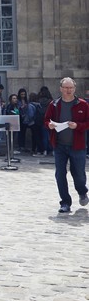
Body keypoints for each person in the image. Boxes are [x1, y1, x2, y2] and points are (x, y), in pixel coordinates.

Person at [44, 77, 89, 213]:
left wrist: (78, 126)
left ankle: (82, 191)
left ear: (74, 89)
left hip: (77, 146)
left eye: (71, 88)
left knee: (79, 174)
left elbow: (87, 123)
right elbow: (46, 120)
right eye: (65, 88)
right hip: (59, 146)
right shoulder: (54, 104)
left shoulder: (83, 104)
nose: (68, 90)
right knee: (60, 174)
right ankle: (65, 202)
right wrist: (49, 125)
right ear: (61, 89)